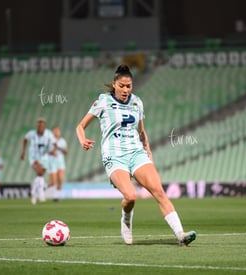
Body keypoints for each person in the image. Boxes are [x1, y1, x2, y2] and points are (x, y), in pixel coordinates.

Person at [76, 64, 196, 246]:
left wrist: (147, 150)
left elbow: (141, 131)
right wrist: (82, 139)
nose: (125, 90)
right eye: (122, 86)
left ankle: (181, 235)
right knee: (131, 196)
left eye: (129, 86)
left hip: (137, 153)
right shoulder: (103, 101)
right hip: (114, 156)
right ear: (114, 84)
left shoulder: (137, 102)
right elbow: (80, 126)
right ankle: (126, 219)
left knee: (159, 192)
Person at [21, 117, 57, 205]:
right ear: (37, 126)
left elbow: (55, 144)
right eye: (39, 125)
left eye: (42, 125)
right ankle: (40, 194)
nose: (41, 127)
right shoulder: (31, 134)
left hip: (44, 157)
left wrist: (53, 150)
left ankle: (34, 192)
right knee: (39, 172)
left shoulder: (48, 134)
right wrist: (23, 152)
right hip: (33, 157)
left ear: (44, 126)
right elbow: (25, 140)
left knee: (41, 174)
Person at [48, 126, 68, 201]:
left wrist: (61, 149)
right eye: (55, 131)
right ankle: (42, 189)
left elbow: (66, 151)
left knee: (60, 179)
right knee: (53, 182)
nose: (56, 132)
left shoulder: (62, 141)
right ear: (52, 132)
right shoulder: (49, 141)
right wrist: (52, 152)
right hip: (52, 162)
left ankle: (56, 196)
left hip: (60, 162)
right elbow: (46, 151)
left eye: (58, 131)